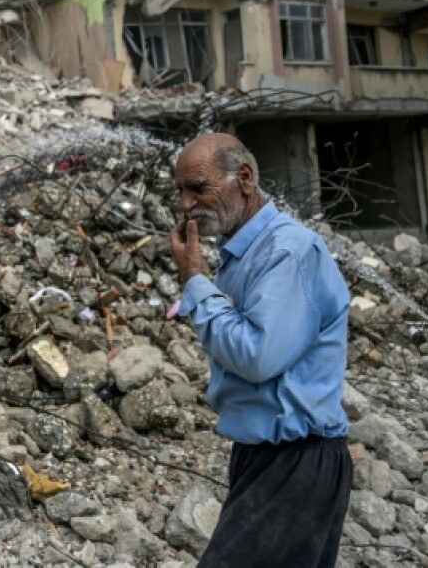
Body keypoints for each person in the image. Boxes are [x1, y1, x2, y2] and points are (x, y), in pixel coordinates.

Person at [167, 133, 351, 568]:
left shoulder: (285, 251)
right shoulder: (246, 254)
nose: (186, 204)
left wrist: (194, 278)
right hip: (268, 456)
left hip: (297, 461)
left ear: (244, 178)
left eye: (197, 187)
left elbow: (256, 357)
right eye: (180, 192)